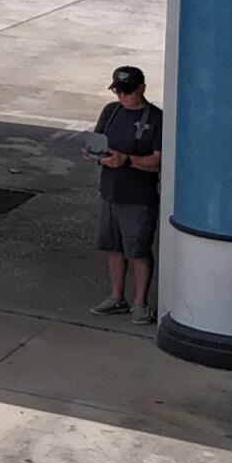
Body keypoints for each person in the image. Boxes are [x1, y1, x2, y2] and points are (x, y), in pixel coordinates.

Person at [89, 65, 163, 325]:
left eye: (128, 92)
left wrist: (127, 160)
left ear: (142, 88)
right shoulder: (111, 111)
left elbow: (158, 161)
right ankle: (116, 296)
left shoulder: (155, 119)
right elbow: (97, 141)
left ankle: (141, 303)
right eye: (119, 91)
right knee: (113, 247)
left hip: (138, 197)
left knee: (138, 250)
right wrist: (95, 155)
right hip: (110, 191)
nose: (123, 97)